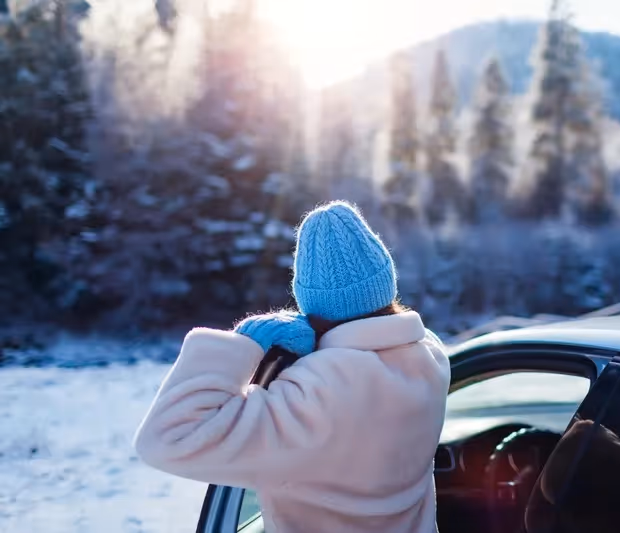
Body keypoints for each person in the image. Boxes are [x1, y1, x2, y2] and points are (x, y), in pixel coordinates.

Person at [134, 201, 451, 533]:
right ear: (386, 284)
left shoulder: (318, 392)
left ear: (308, 303)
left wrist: (246, 342)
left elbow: (167, 438)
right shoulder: (430, 359)